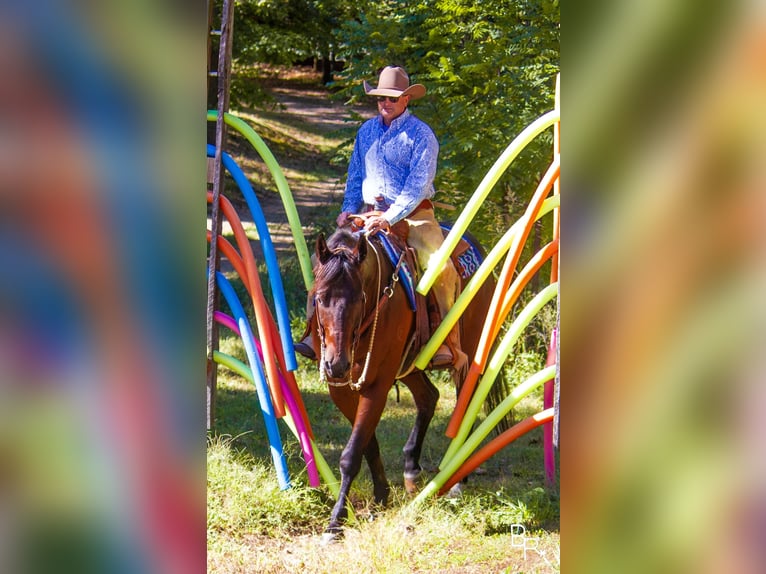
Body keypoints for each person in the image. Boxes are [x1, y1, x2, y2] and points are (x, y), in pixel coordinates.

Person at [296, 65, 464, 369]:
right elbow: (356, 174)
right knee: (321, 262)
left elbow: (418, 185)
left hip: (414, 214)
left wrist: (389, 217)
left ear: (406, 100)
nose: (385, 104)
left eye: (392, 98)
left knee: (442, 267)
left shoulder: (421, 135)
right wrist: (348, 208)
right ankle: (314, 333)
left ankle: (448, 342)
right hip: (366, 214)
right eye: (380, 98)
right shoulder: (366, 131)